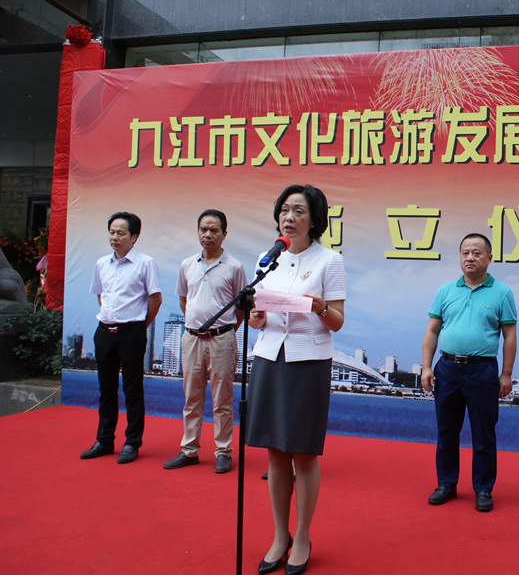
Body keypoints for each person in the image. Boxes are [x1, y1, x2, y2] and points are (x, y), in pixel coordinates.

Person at [247, 185, 345, 575]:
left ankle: (302, 535)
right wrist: (255, 318)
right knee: (274, 451)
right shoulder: (268, 258)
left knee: (302, 452)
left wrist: (319, 307)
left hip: (308, 362)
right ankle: (279, 535)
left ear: (315, 219)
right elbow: (257, 315)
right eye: (284, 209)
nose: (289, 217)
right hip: (269, 357)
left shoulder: (329, 261)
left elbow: (337, 321)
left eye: (298, 211)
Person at [421, 233, 517, 513]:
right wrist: (426, 366)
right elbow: (432, 331)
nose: (470, 258)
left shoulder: (502, 293)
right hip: (448, 368)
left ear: (489, 258)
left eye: (477, 253)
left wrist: (506, 374)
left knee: (483, 433)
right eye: (465, 253)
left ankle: (483, 489)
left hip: (482, 370)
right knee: (446, 430)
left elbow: (509, 336)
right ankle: (446, 484)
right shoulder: (445, 291)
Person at [163, 209, 247, 474]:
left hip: (222, 340)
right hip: (191, 339)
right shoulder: (187, 264)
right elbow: (184, 301)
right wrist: (197, 326)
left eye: (214, 230)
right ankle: (189, 449)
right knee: (192, 398)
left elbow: (241, 308)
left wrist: (225, 331)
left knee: (222, 400)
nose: (207, 234)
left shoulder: (234, 267)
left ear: (224, 234)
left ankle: (223, 450)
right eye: (203, 229)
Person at [80, 212, 162, 464]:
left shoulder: (145, 263)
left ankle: (132, 443)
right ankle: (104, 440)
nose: (114, 237)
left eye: (120, 233)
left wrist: (139, 325)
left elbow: (155, 299)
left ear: (134, 237)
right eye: (112, 232)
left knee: (132, 389)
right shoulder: (101, 263)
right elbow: (101, 295)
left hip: (132, 332)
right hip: (104, 331)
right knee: (106, 389)